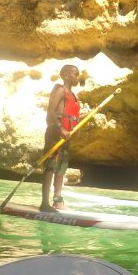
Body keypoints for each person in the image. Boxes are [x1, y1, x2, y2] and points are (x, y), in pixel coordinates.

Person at [40, 64, 87, 212]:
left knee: (61, 168)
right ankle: (44, 203)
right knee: (51, 166)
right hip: (56, 133)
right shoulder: (60, 90)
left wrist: (93, 112)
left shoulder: (74, 96)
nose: (78, 77)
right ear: (66, 75)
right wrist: (60, 129)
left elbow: (73, 117)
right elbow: (51, 112)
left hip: (67, 136)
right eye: (75, 74)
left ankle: (57, 201)